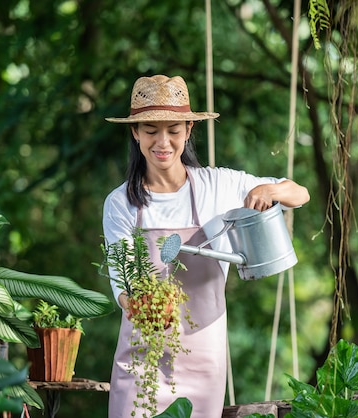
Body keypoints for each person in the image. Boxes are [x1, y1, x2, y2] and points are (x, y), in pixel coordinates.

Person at [102, 74, 310, 418]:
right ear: (135, 133)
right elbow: (121, 283)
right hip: (145, 354)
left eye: (173, 130)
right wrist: (146, 310)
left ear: (188, 130)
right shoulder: (121, 203)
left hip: (203, 355)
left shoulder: (218, 185)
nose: (162, 142)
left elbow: (299, 193)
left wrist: (268, 192)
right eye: (151, 130)